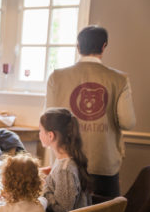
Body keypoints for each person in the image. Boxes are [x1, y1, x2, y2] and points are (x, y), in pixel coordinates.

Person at [46, 25, 136, 197]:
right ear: (104, 46)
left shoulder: (56, 77)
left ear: (78, 47)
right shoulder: (119, 79)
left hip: (65, 162)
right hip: (103, 164)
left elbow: (48, 119)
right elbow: (127, 122)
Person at [39, 108, 91, 212]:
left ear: (50, 135)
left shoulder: (65, 169)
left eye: (41, 130)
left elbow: (64, 210)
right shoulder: (66, 160)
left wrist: (44, 187)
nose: (39, 134)